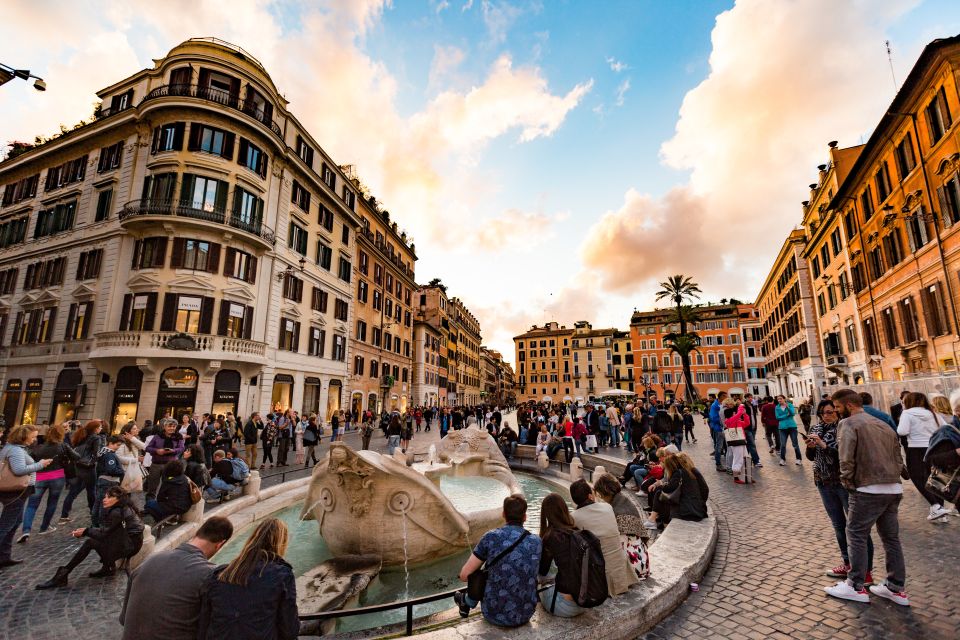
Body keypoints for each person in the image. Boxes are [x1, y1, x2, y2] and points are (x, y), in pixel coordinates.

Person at [824, 389, 908, 606]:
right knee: (891, 538)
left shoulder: (849, 424)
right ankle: (896, 588)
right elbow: (898, 454)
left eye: (838, 408)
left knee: (855, 534)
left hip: (867, 488)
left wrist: (848, 484)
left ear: (849, 406)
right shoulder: (882, 422)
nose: (836, 412)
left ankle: (855, 585)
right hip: (892, 488)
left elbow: (846, 458)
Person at [121, 516, 235, 640]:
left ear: (197, 533)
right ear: (220, 544)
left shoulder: (148, 562)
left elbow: (123, 619)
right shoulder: (209, 575)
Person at [805, 400, 874, 584]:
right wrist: (811, 447)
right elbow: (812, 457)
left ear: (837, 412)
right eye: (822, 413)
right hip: (823, 481)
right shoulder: (817, 428)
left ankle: (866, 570)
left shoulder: (844, 428)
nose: (825, 416)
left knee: (857, 527)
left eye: (829, 412)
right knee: (838, 526)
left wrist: (823, 445)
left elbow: (844, 455)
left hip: (843, 482)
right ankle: (848, 563)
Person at [198, 518, 299, 640]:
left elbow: (204, 623)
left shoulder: (220, 573)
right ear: (281, 542)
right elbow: (290, 630)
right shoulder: (282, 574)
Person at [454, 494, 541, 626]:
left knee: (483, 572)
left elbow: (465, 575)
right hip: (526, 613)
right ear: (525, 517)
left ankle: (467, 602)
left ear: (503, 514)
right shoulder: (536, 541)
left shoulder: (491, 537)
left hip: (493, 613)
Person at [35, 486, 144, 587]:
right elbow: (109, 531)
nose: (105, 499)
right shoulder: (124, 507)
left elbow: (104, 535)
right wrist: (86, 530)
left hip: (129, 546)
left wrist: (86, 531)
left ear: (119, 499)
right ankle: (108, 568)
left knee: (90, 542)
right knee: (97, 540)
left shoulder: (116, 512)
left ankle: (63, 574)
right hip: (132, 542)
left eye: (109, 497)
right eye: (105, 496)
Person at [569, 479, 637, 595]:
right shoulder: (607, 507)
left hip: (600, 578)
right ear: (590, 496)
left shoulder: (573, 517)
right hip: (621, 572)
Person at [0, 425, 52, 568]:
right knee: (6, 525)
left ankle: (4, 556)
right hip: (15, 491)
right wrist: (40, 465)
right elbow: (19, 470)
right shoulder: (16, 450)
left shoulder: (12, 448)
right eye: (33, 436)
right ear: (23, 436)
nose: (35, 439)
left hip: (17, 491)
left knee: (15, 522)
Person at [897, 392, 951, 521]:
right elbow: (945, 427)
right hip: (935, 448)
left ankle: (935, 506)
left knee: (918, 478)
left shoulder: (907, 413)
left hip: (916, 449)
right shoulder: (932, 412)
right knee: (936, 479)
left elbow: (902, 431)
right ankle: (940, 511)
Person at [19, 423, 78, 541]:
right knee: (52, 502)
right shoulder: (63, 446)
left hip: (39, 477)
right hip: (57, 477)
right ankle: (44, 527)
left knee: (32, 505)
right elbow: (77, 456)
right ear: (61, 434)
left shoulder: (39, 447)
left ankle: (26, 530)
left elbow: (30, 461)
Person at [537, 493, 586, 618]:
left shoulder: (550, 538)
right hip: (585, 602)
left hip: (562, 606)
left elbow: (542, 571)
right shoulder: (578, 532)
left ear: (546, 514)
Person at [593, 473, 649, 581]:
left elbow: (619, 547)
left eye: (600, 494)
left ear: (606, 492)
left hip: (633, 568)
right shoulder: (625, 501)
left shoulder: (618, 512)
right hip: (642, 561)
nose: (601, 498)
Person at [644, 452, 709, 529]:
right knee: (662, 497)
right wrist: (701, 502)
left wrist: (661, 484)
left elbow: (669, 489)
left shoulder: (679, 472)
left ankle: (656, 521)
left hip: (686, 510)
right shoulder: (694, 470)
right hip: (699, 509)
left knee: (660, 494)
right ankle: (656, 521)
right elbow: (705, 489)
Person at [60, 420, 104, 522]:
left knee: (73, 491)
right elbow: (96, 453)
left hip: (78, 465)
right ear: (96, 428)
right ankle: (93, 512)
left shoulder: (81, 435)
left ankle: (64, 514)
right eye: (100, 427)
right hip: (89, 467)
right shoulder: (96, 437)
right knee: (91, 491)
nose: (101, 429)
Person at [145, 419, 184, 497]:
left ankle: (164, 503)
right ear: (165, 427)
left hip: (170, 465)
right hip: (156, 464)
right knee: (152, 486)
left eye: (174, 426)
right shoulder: (157, 436)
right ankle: (149, 505)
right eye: (170, 426)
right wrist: (157, 451)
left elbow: (181, 448)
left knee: (168, 486)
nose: (172, 428)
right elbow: (148, 448)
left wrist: (173, 451)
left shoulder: (179, 437)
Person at [93, 435, 126, 526]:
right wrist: (122, 471)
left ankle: (95, 523)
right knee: (105, 504)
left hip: (102, 480)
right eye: (117, 445)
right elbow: (111, 469)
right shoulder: (110, 454)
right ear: (110, 443)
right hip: (109, 481)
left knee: (99, 502)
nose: (118, 447)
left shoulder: (103, 452)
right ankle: (102, 524)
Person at [724, 401, 751, 484]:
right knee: (737, 459)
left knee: (745, 458)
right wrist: (740, 408)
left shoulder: (737, 420)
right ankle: (736, 477)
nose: (735, 413)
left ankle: (745, 476)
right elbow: (738, 415)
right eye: (734, 413)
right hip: (736, 442)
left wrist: (745, 414)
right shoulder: (728, 421)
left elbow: (747, 423)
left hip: (742, 441)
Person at [775, 395, 802, 466]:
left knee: (795, 444)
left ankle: (798, 459)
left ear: (784, 399)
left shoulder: (790, 405)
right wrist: (786, 415)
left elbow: (793, 413)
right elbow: (777, 417)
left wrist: (787, 407)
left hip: (792, 427)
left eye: (780, 399)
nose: (779, 400)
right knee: (783, 445)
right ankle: (782, 459)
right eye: (778, 399)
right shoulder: (777, 407)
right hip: (782, 428)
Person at [708, 392, 727, 471]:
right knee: (719, 447)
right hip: (718, 428)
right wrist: (724, 421)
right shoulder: (715, 405)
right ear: (721, 397)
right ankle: (718, 464)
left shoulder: (722, 404)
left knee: (726, 446)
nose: (726, 398)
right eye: (725, 396)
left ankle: (728, 463)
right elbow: (713, 418)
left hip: (724, 428)